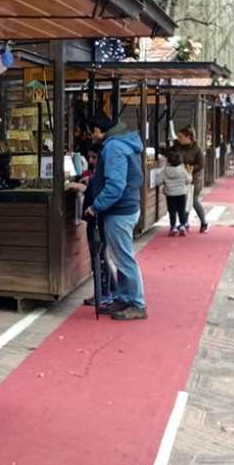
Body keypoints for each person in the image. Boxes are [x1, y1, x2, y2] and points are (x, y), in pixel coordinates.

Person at [86, 115, 147, 320]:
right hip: (127, 207)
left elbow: (115, 186)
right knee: (122, 257)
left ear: (97, 130)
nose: (91, 136)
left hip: (119, 211)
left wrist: (96, 206)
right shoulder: (125, 142)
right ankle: (124, 298)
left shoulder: (113, 147)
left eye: (91, 132)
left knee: (124, 258)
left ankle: (138, 303)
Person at [68, 143, 117, 307]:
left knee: (100, 256)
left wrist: (90, 182)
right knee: (102, 255)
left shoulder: (103, 175)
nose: (91, 161)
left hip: (98, 218)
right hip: (99, 217)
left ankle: (104, 293)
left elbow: (104, 188)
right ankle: (112, 289)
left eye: (94, 157)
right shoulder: (100, 172)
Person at [168, 126, 209, 232]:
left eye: (180, 137)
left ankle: (203, 222)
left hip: (193, 179)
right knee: (184, 201)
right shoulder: (177, 146)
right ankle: (184, 223)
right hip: (180, 178)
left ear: (188, 137)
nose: (178, 139)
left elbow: (201, 164)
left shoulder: (196, 149)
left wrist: (192, 168)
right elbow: (169, 153)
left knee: (194, 201)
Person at [156, 151, 193, 236]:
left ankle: (173, 227)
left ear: (169, 162)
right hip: (181, 193)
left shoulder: (165, 171)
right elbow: (188, 181)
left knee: (172, 211)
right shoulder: (183, 171)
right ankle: (183, 225)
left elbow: (158, 182)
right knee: (181, 210)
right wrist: (190, 173)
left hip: (170, 194)